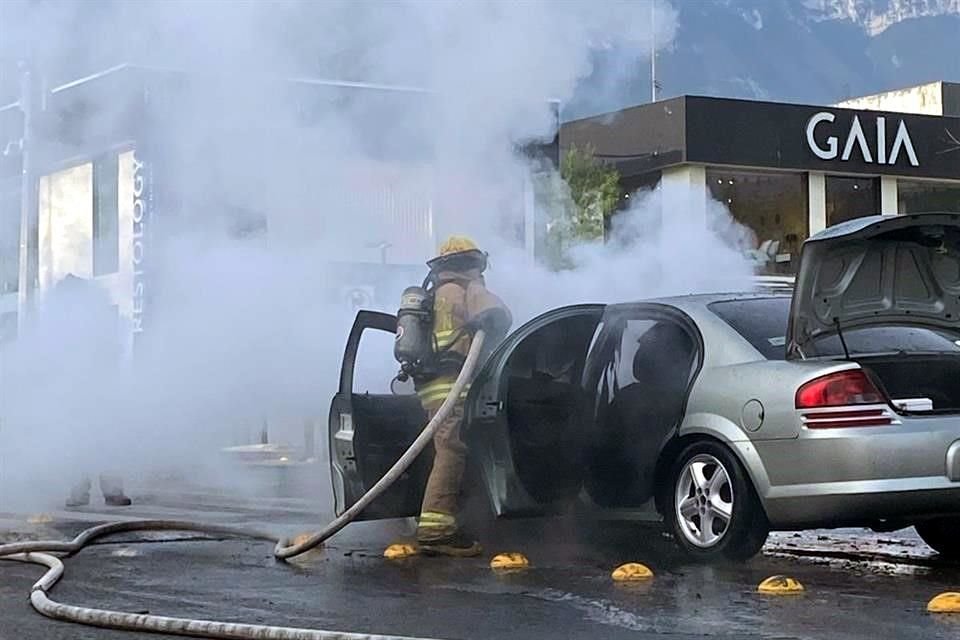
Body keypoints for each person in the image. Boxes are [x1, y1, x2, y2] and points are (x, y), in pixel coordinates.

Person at [413, 236, 511, 557]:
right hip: (455, 385)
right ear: (472, 263)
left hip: (431, 388)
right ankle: (436, 529)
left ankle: (452, 515)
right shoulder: (469, 289)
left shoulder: (435, 295)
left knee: (446, 448)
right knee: (452, 450)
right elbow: (500, 314)